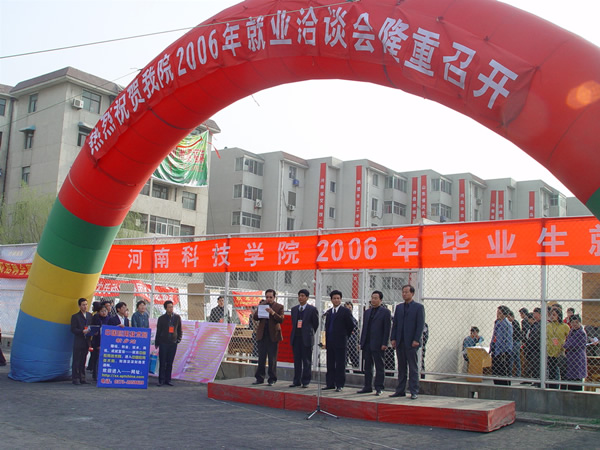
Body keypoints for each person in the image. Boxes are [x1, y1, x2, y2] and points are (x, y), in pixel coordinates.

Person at [390, 285, 425, 400]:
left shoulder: (418, 307)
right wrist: (393, 338)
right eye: (403, 292)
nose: (404, 294)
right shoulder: (399, 307)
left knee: (413, 368)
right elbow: (395, 324)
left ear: (412, 293)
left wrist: (416, 339)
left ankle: (414, 390)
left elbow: (420, 325)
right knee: (401, 368)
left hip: (411, 342)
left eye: (406, 292)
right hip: (400, 341)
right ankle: (400, 390)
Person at [357, 291, 391, 396]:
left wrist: (385, 343)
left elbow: (387, 329)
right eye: (372, 298)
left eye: (376, 298)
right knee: (367, 366)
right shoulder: (367, 312)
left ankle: (379, 387)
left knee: (379, 366)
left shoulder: (385, 312)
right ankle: (367, 386)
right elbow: (364, 328)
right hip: (367, 343)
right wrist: (361, 342)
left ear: (380, 300)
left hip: (378, 343)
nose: (373, 300)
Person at [323, 290, 355, 392]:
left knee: (340, 364)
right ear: (331, 300)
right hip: (330, 341)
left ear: (341, 300)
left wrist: (345, 335)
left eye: (338, 298)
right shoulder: (329, 312)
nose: (336, 300)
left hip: (341, 342)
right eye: (334, 298)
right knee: (330, 363)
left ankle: (339, 384)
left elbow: (350, 325)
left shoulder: (345, 311)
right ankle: (330, 383)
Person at [252, 289, 284, 386]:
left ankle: (272, 378)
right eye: (267, 297)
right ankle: (260, 377)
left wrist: (273, 313)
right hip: (262, 334)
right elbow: (255, 317)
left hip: (273, 335)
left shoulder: (279, 307)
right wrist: (259, 310)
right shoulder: (262, 305)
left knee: (272, 358)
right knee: (261, 358)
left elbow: (281, 319)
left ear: (274, 297)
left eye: (270, 297)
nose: (268, 299)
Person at [289, 289, 319, 388]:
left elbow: (315, 324)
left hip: (306, 338)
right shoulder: (294, 309)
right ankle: (296, 380)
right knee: (297, 360)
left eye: (302, 296)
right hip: (296, 338)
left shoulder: (312, 309)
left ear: (307, 298)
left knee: (306, 361)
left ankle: (305, 381)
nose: (300, 298)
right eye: (299, 296)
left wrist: (309, 333)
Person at [155, 300, 182, 386]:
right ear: (166, 308)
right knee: (163, 362)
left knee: (170, 362)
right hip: (163, 342)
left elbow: (179, 329)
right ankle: (161, 380)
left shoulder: (177, 317)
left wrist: (178, 339)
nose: (171, 308)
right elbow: (158, 331)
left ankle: (168, 379)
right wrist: (157, 342)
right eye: (169, 307)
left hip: (173, 343)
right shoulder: (161, 318)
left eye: (172, 307)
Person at [70, 297, 92, 385]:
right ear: (79, 306)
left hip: (87, 341)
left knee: (83, 359)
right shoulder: (75, 316)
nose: (85, 306)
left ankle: (82, 378)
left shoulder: (89, 315)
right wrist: (82, 331)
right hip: (79, 340)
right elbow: (73, 329)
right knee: (76, 360)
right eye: (83, 305)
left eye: (86, 304)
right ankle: (75, 378)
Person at [546, 307, 569, 389]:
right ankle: (552, 388)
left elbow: (569, 337)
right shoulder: (548, 326)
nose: (552, 316)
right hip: (550, 352)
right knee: (552, 372)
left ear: (559, 316)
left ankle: (563, 388)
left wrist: (565, 345)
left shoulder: (564, 326)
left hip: (561, 352)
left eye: (554, 315)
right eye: (551, 315)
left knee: (563, 372)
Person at [563, 314, 587, 391]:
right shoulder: (571, 331)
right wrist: (566, 344)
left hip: (578, 357)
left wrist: (566, 345)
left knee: (577, 378)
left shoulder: (581, 333)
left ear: (580, 323)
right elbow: (568, 342)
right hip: (571, 357)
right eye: (573, 322)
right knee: (571, 379)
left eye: (576, 322)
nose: (574, 324)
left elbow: (573, 344)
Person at [490, 305, 513, 386]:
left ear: (504, 314)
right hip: (496, 350)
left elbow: (508, 339)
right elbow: (494, 336)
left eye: (499, 313)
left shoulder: (507, 325)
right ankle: (497, 385)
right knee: (495, 371)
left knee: (503, 371)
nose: (497, 314)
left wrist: (505, 351)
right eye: (497, 312)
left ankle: (505, 386)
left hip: (503, 352)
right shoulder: (497, 323)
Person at [90, 305, 111, 380]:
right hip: (97, 340)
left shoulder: (109, 319)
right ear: (98, 312)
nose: (104, 313)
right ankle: (95, 375)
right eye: (102, 311)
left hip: (106, 342)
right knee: (96, 358)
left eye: (105, 311)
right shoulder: (96, 318)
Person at [344, 301, 360, 368]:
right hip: (344, 341)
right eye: (347, 308)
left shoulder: (354, 320)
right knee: (344, 359)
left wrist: (357, 343)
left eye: (350, 307)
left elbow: (356, 332)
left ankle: (356, 369)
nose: (349, 309)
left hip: (352, 342)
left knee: (355, 358)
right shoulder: (342, 319)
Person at [508, 311, 522, 377]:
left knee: (512, 357)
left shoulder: (514, 323)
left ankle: (510, 373)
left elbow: (513, 333)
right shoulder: (516, 323)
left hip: (515, 341)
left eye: (509, 317)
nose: (508, 319)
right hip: (517, 341)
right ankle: (518, 373)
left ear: (512, 316)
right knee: (517, 358)